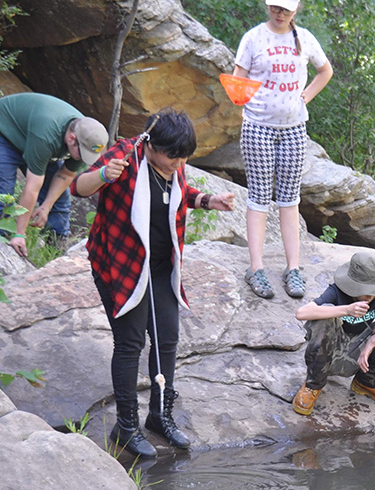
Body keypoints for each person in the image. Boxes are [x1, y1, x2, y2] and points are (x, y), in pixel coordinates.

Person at [72, 109, 235, 458]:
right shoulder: (125, 156)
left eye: (183, 157)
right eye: (173, 156)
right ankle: (126, 427)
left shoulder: (173, 163)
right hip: (120, 265)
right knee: (130, 342)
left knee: (168, 338)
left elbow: (179, 192)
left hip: (161, 266)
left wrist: (207, 201)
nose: (178, 163)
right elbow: (78, 186)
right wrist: (103, 173)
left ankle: (160, 415)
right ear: (151, 144)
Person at [233, 0, 334, 300]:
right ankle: (257, 267)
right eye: (275, 7)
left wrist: (305, 96)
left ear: (295, 10)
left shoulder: (303, 38)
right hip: (258, 127)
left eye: (286, 10)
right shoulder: (253, 39)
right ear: (268, 4)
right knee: (259, 197)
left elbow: (325, 71)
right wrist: (246, 111)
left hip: (293, 128)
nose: (280, 14)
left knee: (289, 199)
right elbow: (238, 80)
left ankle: (293, 268)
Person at [292, 252, 375, 415]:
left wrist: (373, 340)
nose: (371, 296)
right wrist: (346, 310)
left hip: (361, 354)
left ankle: (368, 382)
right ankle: (313, 385)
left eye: (374, 290)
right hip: (330, 353)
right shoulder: (336, 291)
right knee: (326, 313)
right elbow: (302, 313)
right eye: (366, 291)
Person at [0, 92, 109, 256]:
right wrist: (20, 233)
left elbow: (66, 174)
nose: (83, 159)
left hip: (34, 139)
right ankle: (7, 244)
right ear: (72, 138)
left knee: (59, 200)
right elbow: (32, 188)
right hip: (6, 131)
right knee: (4, 195)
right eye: (82, 154)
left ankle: (56, 252)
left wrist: (46, 206)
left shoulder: (86, 137)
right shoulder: (47, 135)